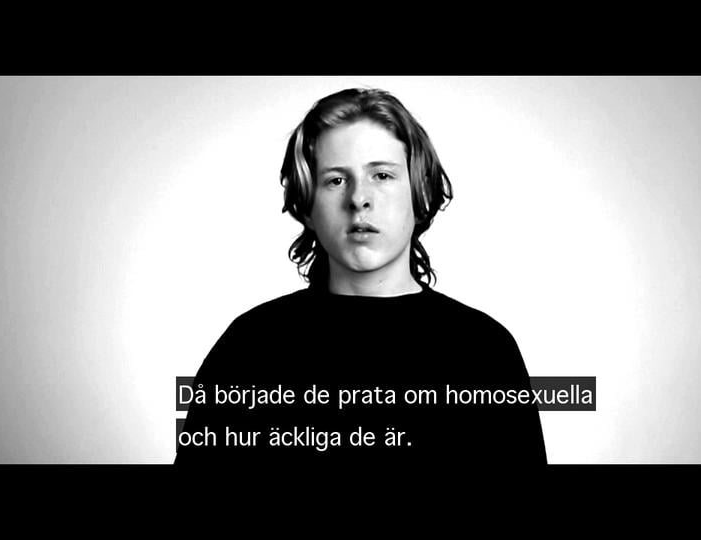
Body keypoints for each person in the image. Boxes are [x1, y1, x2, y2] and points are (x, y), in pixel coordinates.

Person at [174, 88, 547, 472]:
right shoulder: (249, 345)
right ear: (307, 205)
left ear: (419, 192)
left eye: (382, 175)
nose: (359, 199)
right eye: (336, 180)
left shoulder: (485, 350)